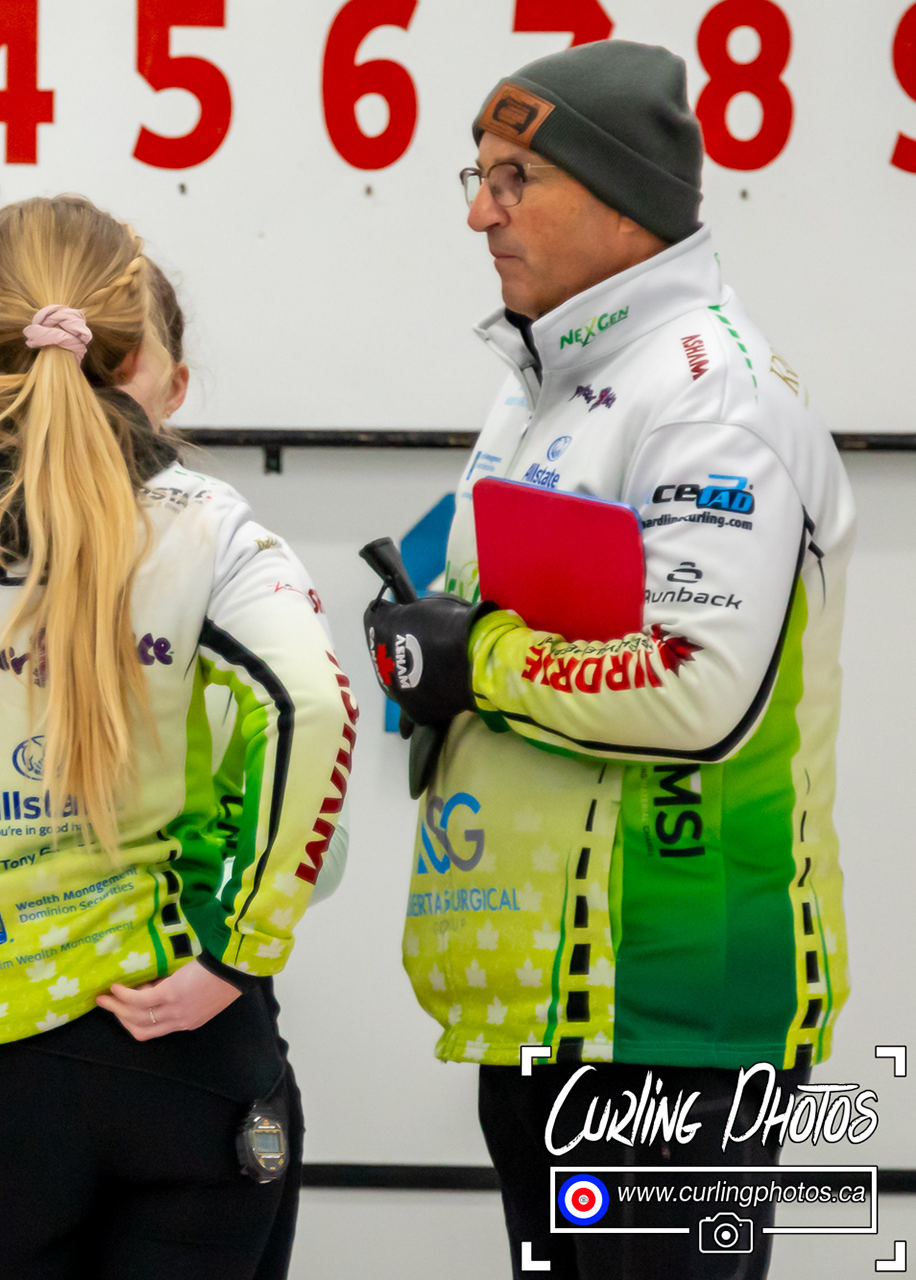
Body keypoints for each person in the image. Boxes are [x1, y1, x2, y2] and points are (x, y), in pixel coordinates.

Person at [0, 195, 359, 1280]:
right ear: (139, 357)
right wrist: (242, 952)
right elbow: (316, 707)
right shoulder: (207, 519)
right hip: (181, 1032)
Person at [361, 41, 853, 1279]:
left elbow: (695, 685)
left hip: (671, 1009)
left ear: (623, 197)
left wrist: (477, 659)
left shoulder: (713, 397)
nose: (480, 213)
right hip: (549, 1005)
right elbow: (506, 611)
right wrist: (425, 634)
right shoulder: (544, 381)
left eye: (514, 179)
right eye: (476, 178)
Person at [118, 259, 333, 1280]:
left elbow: (314, 783)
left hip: (190, 1016)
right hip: (19, 1038)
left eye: (117, 357)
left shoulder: (221, 541)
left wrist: (233, 959)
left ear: (175, 385)